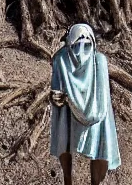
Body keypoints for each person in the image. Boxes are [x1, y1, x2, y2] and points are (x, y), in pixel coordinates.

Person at [50, 23, 121, 185]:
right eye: (77, 46)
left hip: (92, 112)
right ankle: (68, 180)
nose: (81, 51)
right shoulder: (63, 60)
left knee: (94, 145)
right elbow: (56, 92)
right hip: (85, 113)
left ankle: (79, 181)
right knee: (69, 137)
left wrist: (65, 99)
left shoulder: (64, 59)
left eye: (87, 46)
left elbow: (57, 93)